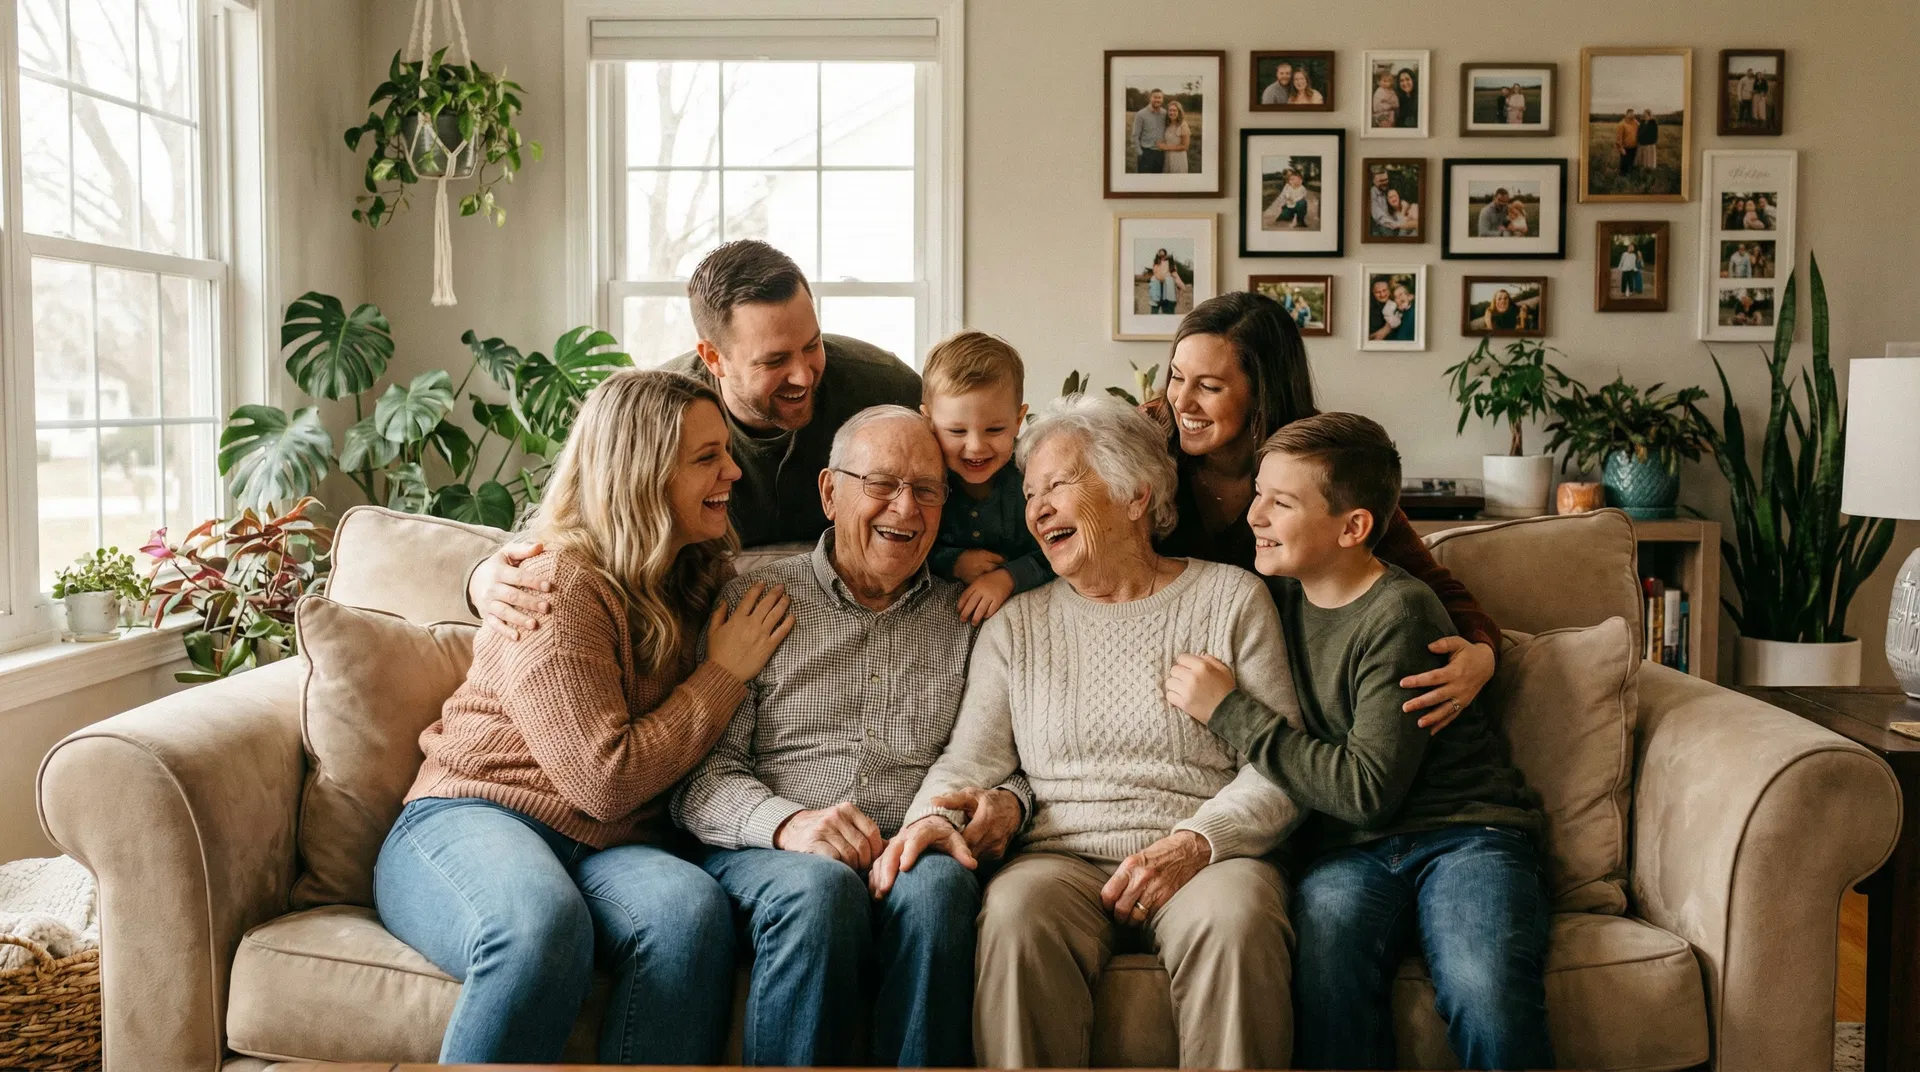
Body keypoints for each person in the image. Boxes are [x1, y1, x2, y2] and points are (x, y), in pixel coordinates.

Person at [373, 370, 795, 1064]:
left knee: (689, 913)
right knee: (540, 927)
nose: (732, 472)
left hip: (611, 847)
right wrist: (722, 675)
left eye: (726, 451)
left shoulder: (696, 575)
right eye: (706, 458)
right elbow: (605, 780)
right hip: (474, 816)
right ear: (641, 476)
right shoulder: (557, 581)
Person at [877, 394, 1304, 1069]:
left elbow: (1280, 768)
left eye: (1059, 485)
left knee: (1238, 920)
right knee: (1015, 914)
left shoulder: (1231, 599)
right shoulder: (1016, 625)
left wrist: (1196, 842)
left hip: (1205, 856)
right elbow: (969, 761)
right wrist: (931, 816)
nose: (1037, 509)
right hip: (1061, 860)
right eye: (1030, 494)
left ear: (1135, 496)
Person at [1163, 412, 1552, 1072]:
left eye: (1282, 503)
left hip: (1464, 833)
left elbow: (1366, 791)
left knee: (1482, 987)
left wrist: (1228, 711)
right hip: (1347, 852)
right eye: (1258, 493)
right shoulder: (1271, 601)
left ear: (1353, 528)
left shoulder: (1400, 611)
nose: (1254, 515)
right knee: (1328, 983)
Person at [669, 406, 1012, 1068]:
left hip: (913, 848)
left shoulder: (969, 617)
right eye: (882, 483)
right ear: (830, 492)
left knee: (939, 890)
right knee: (821, 890)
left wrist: (1004, 804)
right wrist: (790, 825)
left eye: (927, 489)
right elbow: (701, 777)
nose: (906, 508)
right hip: (775, 857)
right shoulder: (753, 600)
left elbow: (1004, 756)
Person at [1142, 292, 1503, 727]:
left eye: (1209, 387)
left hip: (1272, 698)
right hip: (1163, 676)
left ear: (1262, 392)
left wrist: (1482, 656)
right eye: (1177, 377)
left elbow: (1434, 586)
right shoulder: (1142, 439)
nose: (1181, 401)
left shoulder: (1321, 459)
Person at [922, 331, 1050, 625]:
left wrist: (1009, 577)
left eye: (994, 430)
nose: (976, 447)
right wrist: (954, 562)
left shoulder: (1034, 477)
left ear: (1018, 420)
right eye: (957, 431)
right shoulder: (920, 481)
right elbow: (904, 545)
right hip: (943, 616)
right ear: (928, 421)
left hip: (1028, 611)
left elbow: (1062, 548)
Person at [1131, 88, 1169, 174]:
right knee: (1144, 180)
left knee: (1157, 180)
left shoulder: (1165, 113)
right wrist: (1140, 153)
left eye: (1159, 97)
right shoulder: (1141, 114)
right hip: (1146, 153)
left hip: (1160, 153)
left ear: (1162, 99)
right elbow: (1135, 135)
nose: (1157, 100)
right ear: (1150, 98)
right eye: (1155, 97)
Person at [1158, 99, 1191, 174]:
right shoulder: (1168, 124)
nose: (1172, 113)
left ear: (1179, 112)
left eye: (1175, 110)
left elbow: (1185, 146)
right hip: (1167, 158)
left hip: (1178, 158)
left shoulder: (1183, 125)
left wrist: (1166, 147)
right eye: (1170, 110)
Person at [1615, 110, 1640, 176]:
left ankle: (1630, 177)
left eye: (1633, 114)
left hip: (1634, 147)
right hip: (1625, 148)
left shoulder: (1635, 123)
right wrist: (1621, 148)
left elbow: (1641, 128)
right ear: (1626, 115)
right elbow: (1618, 138)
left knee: (1631, 163)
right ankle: (1622, 178)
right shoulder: (1621, 124)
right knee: (1624, 165)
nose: (1632, 115)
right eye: (1630, 114)